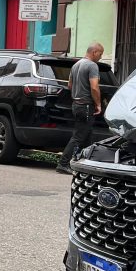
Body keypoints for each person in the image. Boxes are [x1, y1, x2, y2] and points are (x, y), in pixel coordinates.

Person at [57, 42, 104, 174]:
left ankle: (85, 165)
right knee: (78, 136)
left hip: (76, 104)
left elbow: (70, 85)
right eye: (100, 54)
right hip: (86, 105)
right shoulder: (92, 65)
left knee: (87, 135)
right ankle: (63, 164)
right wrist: (98, 104)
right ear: (94, 52)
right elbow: (94, 87)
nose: (101, 57)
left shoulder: (76, 65)